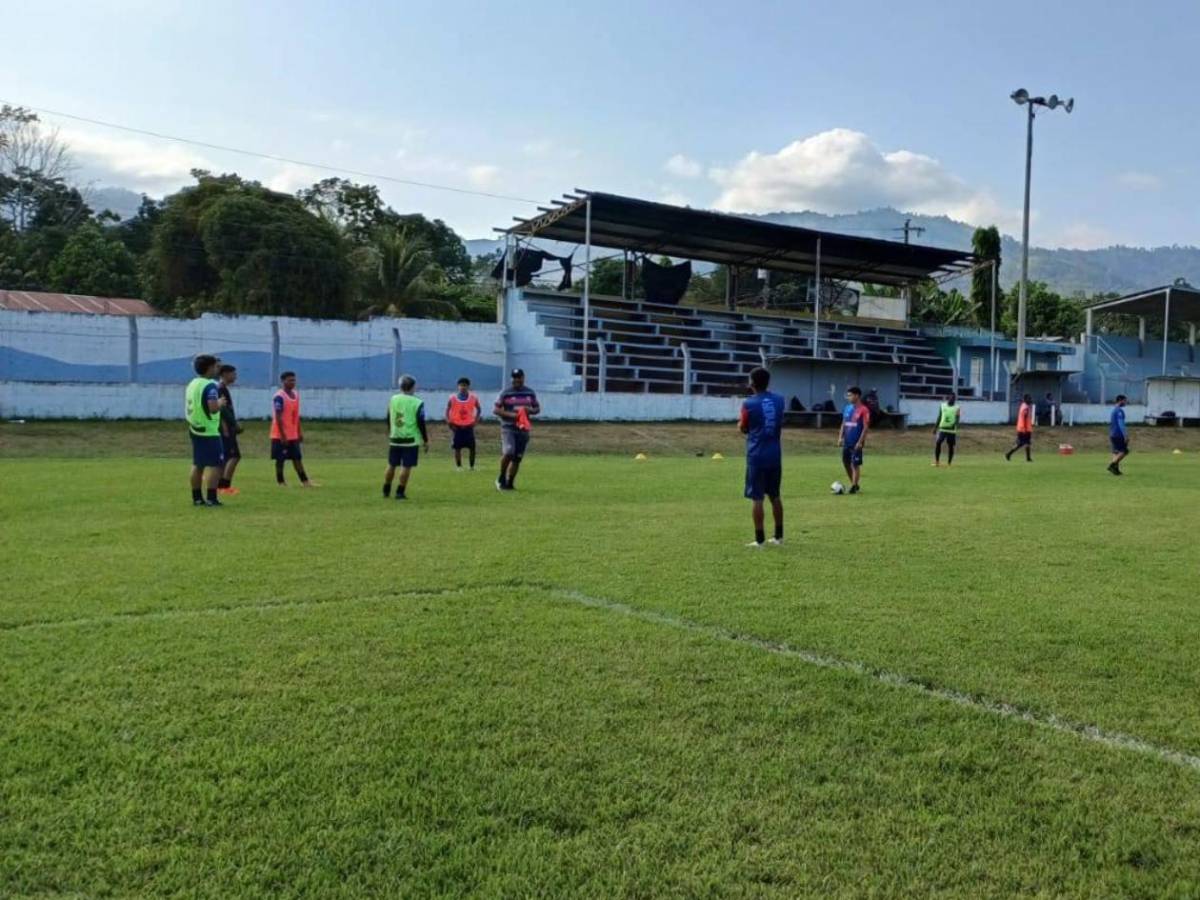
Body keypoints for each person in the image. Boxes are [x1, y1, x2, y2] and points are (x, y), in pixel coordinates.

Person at [739, 367, 785, 547]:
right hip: (775, 454)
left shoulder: (748, 404)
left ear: (752, 383)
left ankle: (759, 539)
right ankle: (779, 536)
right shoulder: (780, 400)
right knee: (775, 496)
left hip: (757, 455)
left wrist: (741, 426)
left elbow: (743, 427)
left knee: (757, 498)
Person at [185, 354, 226, 507]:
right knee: (216, 465)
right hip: (209, 430)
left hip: (195, 428)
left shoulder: (192, 384)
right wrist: (220, 403)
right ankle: (211, 497)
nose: (218, 369)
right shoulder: (210, 386)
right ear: (209, 368)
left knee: (198, 464)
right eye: (216, 366)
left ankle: (197, 498)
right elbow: (213, 408)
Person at [384, 374, 430, 500]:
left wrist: (390, 431)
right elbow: (421, 423)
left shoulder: (393, 399)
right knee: (406, 466)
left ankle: (386, 489)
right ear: (413, 387)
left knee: (391, 464)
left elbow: (388, 416)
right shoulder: (418, 402)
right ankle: (400, 492)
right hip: (410, 440)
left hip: (394, 437)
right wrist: (426, 440)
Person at [494, 368, 540, 491]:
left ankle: (510, 483)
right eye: (514, 378)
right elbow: (496, 410)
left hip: (523, 428)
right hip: (508, 427)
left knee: (517, 457)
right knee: (509, 451)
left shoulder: (530, 393)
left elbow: (537, 408)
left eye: (519, 377)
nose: (517, 380)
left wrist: (529, 410)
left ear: (523, 378)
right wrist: (512, 415)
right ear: (511, 379)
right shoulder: (505, 393)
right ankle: (501, 476)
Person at [271, 371, 315, 487]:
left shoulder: (296, 395)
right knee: (280, 459)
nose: (293, 382)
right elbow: (278, 417)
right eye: (290, 380)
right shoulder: (279, 397)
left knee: (297, 458)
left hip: (293, 434)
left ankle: (305, 481)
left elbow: (296, 416)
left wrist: (299, 431)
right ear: (283, 381)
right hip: (280, 434)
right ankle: (281, 482)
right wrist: (283, 435)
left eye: (294, 380)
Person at [445, 377, 482, 471]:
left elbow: (479, 409)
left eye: (465, 385)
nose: (463, 387)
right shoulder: (452, 398)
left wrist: (476, 420)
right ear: (458, 386)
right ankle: (459, 466)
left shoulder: (473, 397)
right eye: (461, 385)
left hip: (469, 426)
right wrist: (448, 421)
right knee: (457, 448)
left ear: (468, 386)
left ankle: (472, 466)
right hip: (456, 426)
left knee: (472, 448)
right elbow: (447, 409)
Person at [216, 364, 243, 495]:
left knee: (227, 457)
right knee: (234, 456)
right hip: (225, 429)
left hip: (227, 428)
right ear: (225, 374)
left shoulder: (223, 388)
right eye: (233, 373)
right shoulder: (221, 389)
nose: (235, 376)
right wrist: (228, 427)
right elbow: (221, 410)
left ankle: (220, 486)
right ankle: (224, 486)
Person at [838, 385, 869, 494]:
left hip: (856, 442)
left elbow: (865, 427)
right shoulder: (847, 408)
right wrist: (840, 437)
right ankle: (854, 484)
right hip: (847, 441)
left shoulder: (864, 410)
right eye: (848, 395)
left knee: (854, 464)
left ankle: (854, 486)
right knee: (845, 462)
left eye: (850, 395)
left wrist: (860, 442)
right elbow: (843, 423)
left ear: (857, 396)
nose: (848, 397)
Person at [932, 392, 961, 467]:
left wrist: (955, 425)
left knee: (950, 446)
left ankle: (949, 463)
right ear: (948, 398)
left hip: (951, 430)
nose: (952, 399)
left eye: (954, 398)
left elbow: (957, 419)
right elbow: (939, 416)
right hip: (942, 429)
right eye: (951, 398)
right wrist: (935, 427)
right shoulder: (942, 406)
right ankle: (937, 461)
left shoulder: (957, 407)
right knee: (938, 442)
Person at [1005, 393, 1034, 462]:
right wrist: (1024, 428)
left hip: (1025, 428)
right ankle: (1008, 454)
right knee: (1021, 444)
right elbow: (1024, 418)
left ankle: (1028, 458)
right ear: (1026, 399)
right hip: (1024, 429)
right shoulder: (1025, 407)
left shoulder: (1023, 406)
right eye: (1029, 398)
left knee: (1027, 443)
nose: (1030, 400)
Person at [1108, 394, 1130, 476]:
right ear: (1120, 400)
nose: (1126, 402)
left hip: (1112, 434)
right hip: (1118, 434)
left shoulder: (1114, 410)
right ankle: (1112, 465)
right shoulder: (1119, 411)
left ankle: (1115, 470)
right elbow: (1121, 424)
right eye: (1125, 400)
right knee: (1124, 451)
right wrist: (1125, 435)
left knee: (1116, 452)